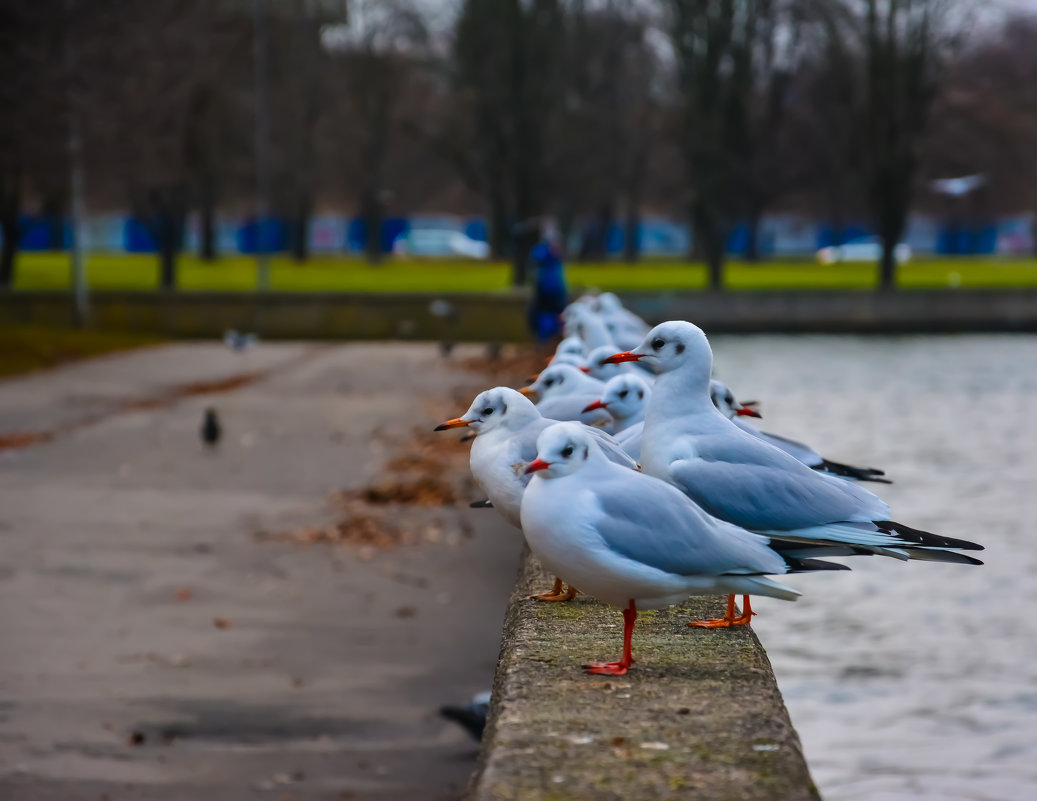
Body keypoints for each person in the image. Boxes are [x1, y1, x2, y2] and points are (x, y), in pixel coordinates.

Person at [527, 220, 567, 342]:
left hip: (556, 290)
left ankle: (552, 339)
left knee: (557, 315)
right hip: (545, 290)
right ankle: (544, 340)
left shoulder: (555, 252)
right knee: (544, 317)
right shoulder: (541, 250)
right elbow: (536, 261)